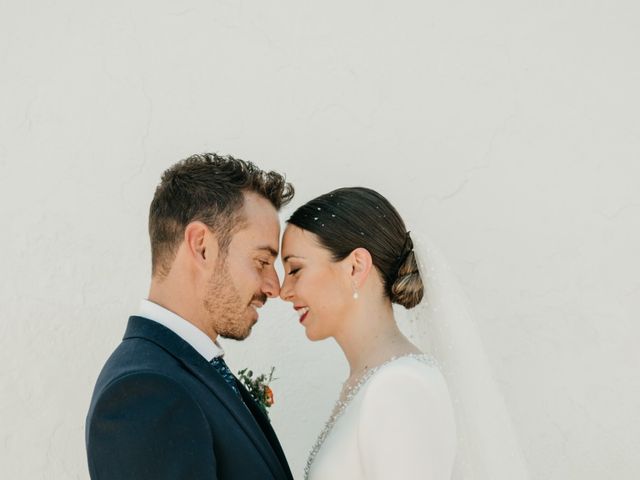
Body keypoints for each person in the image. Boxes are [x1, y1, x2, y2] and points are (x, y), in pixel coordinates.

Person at [85, 153, 295, 480]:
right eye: (261, 262)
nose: (274, 287)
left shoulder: (187, 371)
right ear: (202, 246)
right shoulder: (144, 393)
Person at [280, 187, 457, 479]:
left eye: (295, 269)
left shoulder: (400, 386)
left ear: (355, 267)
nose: (284, 291)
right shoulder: (369, 381)